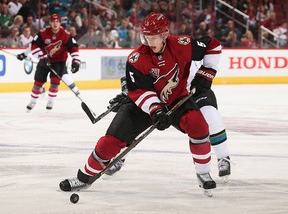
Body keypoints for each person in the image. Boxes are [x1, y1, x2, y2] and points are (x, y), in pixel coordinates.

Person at [59, 12, 223, 195]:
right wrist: (156, 110)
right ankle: (84, 177)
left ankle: (204, 174)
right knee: (109, 144)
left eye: (153, 37)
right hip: (141, 107)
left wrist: (206, 73)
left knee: (199, 125)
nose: (149, 41)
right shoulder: (137, 58)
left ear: (165, 34)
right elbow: (140, 91)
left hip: (177, 99)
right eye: (146, 36)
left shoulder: (182, 45)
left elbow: (213, 46)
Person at [16, 13, 81, 111]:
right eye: (53, 21)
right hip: (44, 59)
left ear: (60, 23)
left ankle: (51, 101)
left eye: (57, 22)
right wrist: (34, 55)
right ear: (50, 22)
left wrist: (76, 61)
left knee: (55, 82)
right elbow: (34, 45)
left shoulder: (66, 35)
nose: (55, 24)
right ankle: (33, 100)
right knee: (38, 82)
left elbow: (73, 48)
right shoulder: (43, 33)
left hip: (59, 61)